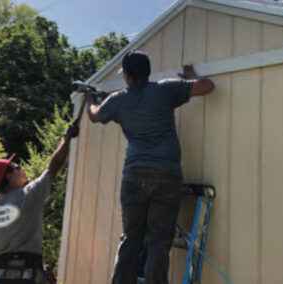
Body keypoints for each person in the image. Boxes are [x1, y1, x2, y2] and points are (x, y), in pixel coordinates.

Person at [85, 50, 215, 284]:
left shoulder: (117, 100)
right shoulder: (165, 89)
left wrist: (90, 100)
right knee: (158, 241)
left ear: (127, 76)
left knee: (131, 238)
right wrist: (189, 77)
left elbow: (94, 116)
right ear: (147, 72)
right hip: (167, 175)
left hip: (134, 176)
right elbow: (207, 86)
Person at [0, 122, 79, 283]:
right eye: (16, 166)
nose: (21, 168)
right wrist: (67, 139)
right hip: (28, 275)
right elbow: (54, 166)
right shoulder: (28, 195)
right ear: (8, 176)